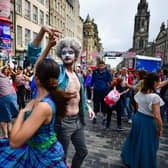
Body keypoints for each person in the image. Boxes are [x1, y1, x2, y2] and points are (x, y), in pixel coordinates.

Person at [27, 26, 95, 168]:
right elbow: (35, 57)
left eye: (71, 52)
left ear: (76, 56)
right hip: (62, 122)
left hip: (79, 121)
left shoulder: (79, 76)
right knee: (60, 156)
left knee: (83, 151)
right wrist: (42, 31)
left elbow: (79, 95)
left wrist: (87, 106)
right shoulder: (57, 72)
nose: (67, 55)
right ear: (60, 55)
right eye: (64, 52)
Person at [0, 57, 74, 167]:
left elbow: (14, 142)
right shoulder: (42, 96)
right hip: (38, 148)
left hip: (42, 156)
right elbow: (37, 68)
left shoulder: (43, 106)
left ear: (37, 79)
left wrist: (22, 113)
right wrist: (48, 45)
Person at [121, 72, 164, 168]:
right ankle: (144, 163)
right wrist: (160, 128)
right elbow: (157, 116)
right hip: (148, 121)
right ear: (154, 83)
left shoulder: (140, 92)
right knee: (148, 144)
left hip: (138, 117)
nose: (159, 83)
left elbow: (136, 105)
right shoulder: (154, 97)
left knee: (136, 140)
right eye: (158, 81)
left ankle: (132, 159)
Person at [90, 60, 112, 124]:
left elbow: (110, 80)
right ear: (98, 66)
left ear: (104, 66)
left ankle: (104, 118)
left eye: (102, 66)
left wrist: (111, 88)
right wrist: (91, 85)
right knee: (96, 104)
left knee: (104, 105)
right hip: (96, 90)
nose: (101, 67)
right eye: (100, 66)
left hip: (105, 91)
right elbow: (93, 79)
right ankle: (95, 117)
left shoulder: (107, 72)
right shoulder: (95, 71)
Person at [0, 67, 18, 139]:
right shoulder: (6, 77)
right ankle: (10, 134)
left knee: (2, 118)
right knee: (9, 117)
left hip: (4, 97)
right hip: (13, 96)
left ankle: (5, 135)